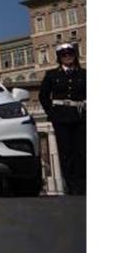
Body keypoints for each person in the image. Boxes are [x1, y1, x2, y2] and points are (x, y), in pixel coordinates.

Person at [39, 41, 86, 195]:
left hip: (81, 116)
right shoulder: (52, 75)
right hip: (62, 118)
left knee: (82, 151)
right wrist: (52, 114)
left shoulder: (83, 74)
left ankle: (82, 184)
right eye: (64, 55)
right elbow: (43, 96)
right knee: (66, 152)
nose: (68, 57)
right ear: (60, 57)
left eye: (70, 54)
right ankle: (71, 185)